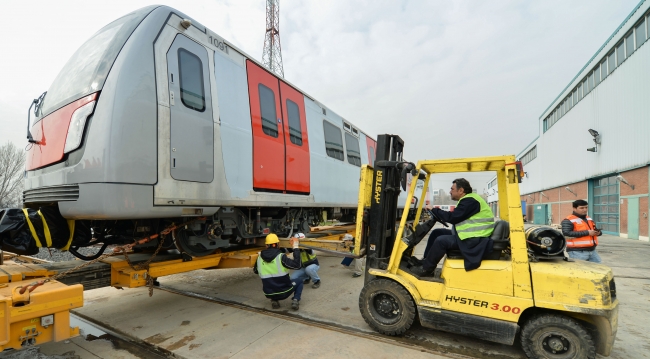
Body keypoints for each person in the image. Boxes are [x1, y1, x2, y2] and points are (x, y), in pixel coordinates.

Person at [412, 178, 495, 277]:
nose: (450, 192)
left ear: (461, 190)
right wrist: (437, 212)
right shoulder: (469, 200)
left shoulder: (470, 201)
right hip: (469, 236)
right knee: (437, 233)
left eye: (452, 189)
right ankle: (426, 262)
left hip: (473, 240)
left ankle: (427, 270)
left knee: (441, 241)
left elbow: (452, 217)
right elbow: (454, 216)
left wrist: (434, 210)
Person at [253, 233, 304, 310]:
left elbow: (256, 271)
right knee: (299, 281)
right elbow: (298, 265)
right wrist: (295, 246)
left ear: (266, 246)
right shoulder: (281, 257)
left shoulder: (259, 258)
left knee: (271, 282)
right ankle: (295, 300)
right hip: (285, 292)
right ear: (278, 244)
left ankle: (274, 300)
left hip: (268, 293)